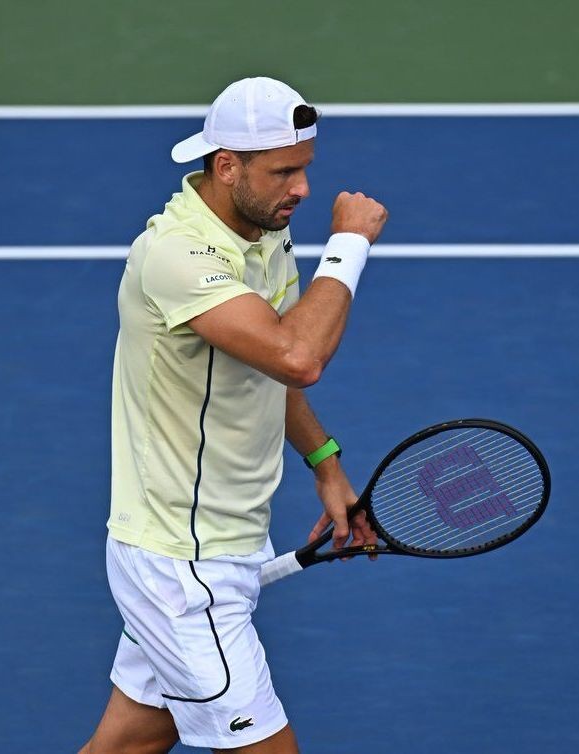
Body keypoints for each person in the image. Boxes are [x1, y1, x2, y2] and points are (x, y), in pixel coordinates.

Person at [80, 76, 388, 754]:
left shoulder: (264, 233)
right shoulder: (178, 255)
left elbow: (267, 366)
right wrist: (349, 246)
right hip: (183, 565)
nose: (302, 189)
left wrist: (326, 464)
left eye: (305, 168)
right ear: (226, 166)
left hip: (221, 544)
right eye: (283, 172)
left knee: (126, 745)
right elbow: (297, 357)